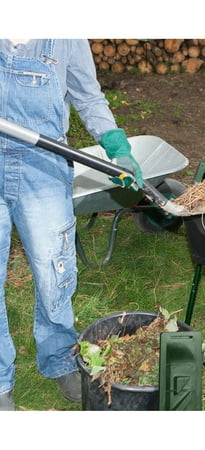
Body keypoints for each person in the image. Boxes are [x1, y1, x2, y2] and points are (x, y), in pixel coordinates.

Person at [0, 39, 143, 411]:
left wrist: (118, 147)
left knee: (55, 272)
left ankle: (60, 358)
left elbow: (89, 96)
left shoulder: (64, 36)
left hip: (43, 164)